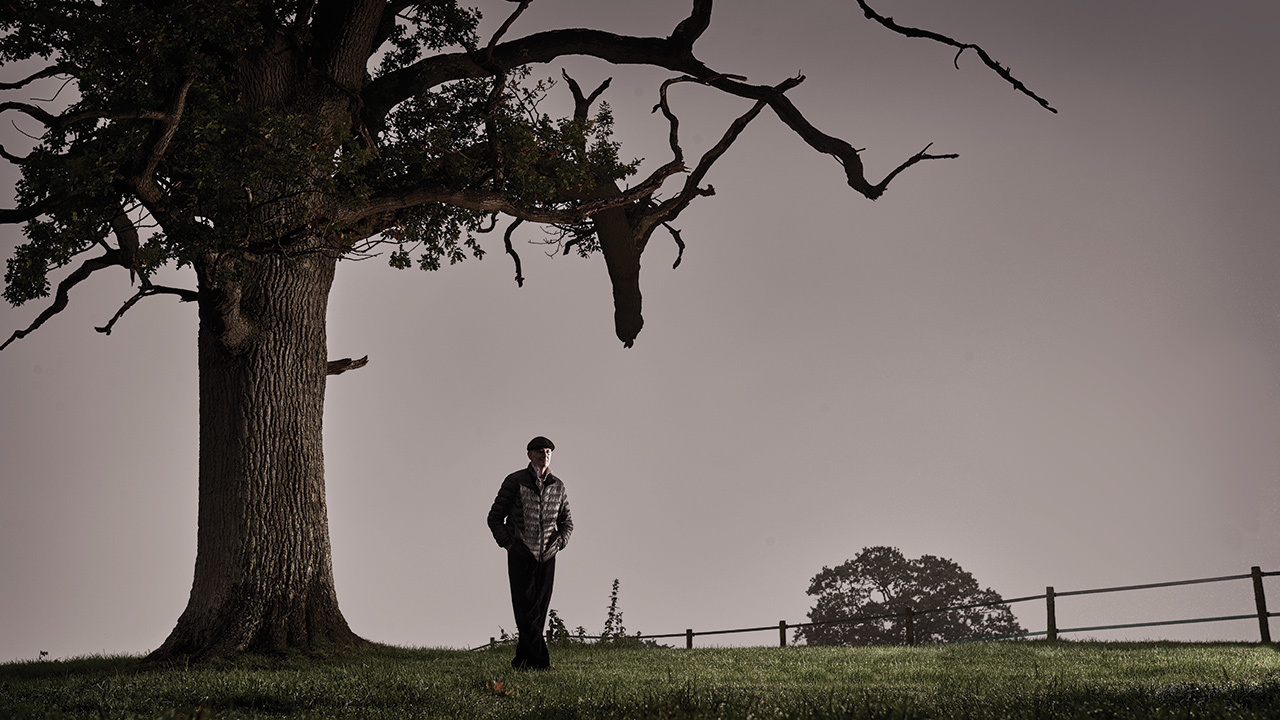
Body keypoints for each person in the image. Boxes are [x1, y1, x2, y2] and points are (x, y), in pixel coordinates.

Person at [486, 435, 573, 670]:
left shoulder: (559, 485)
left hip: (548, 556)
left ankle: (522, 662)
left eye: (548, 451)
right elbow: (494, 518)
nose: (544, 455)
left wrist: (560, 542)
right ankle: (541, 663)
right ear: (529, 455)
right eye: (539, 451)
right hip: (521, 554)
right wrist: (509, 544)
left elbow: (567, 523)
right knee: (526, 610)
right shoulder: (515, 481)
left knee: (539, 611)